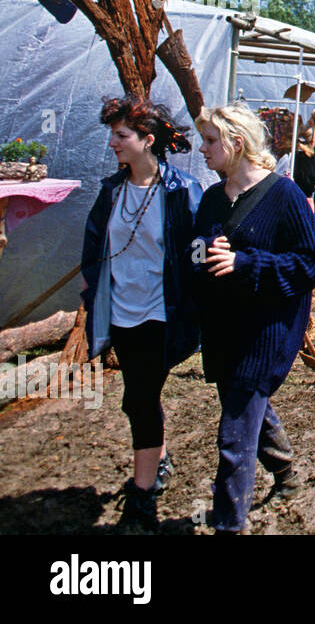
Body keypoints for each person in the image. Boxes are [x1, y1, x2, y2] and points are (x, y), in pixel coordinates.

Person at [191, 104, 315, 534]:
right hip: (223, 332)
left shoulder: (284, 196)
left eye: (211, 140)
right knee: (249, 408)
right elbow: (196, 251)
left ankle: (229, 525)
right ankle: (287, 474)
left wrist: (247, 264)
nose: (203, 148)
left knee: (233, 437)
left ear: (236, 143)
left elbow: (308, 265)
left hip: (266, 333)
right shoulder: (212, 199)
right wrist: (197, 254)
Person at [81, 96, 202, 532]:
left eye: (121, 135)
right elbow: (95, 244)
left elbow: (197, 253)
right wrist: (92, 292)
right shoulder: (111, 190)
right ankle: (160, 456)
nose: (113, 143)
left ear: (147, 140)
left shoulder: (181, 191)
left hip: (160, 313)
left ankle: (143, 496)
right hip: (121, 313)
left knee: (140, 399)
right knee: (138, 399)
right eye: (112, 134)